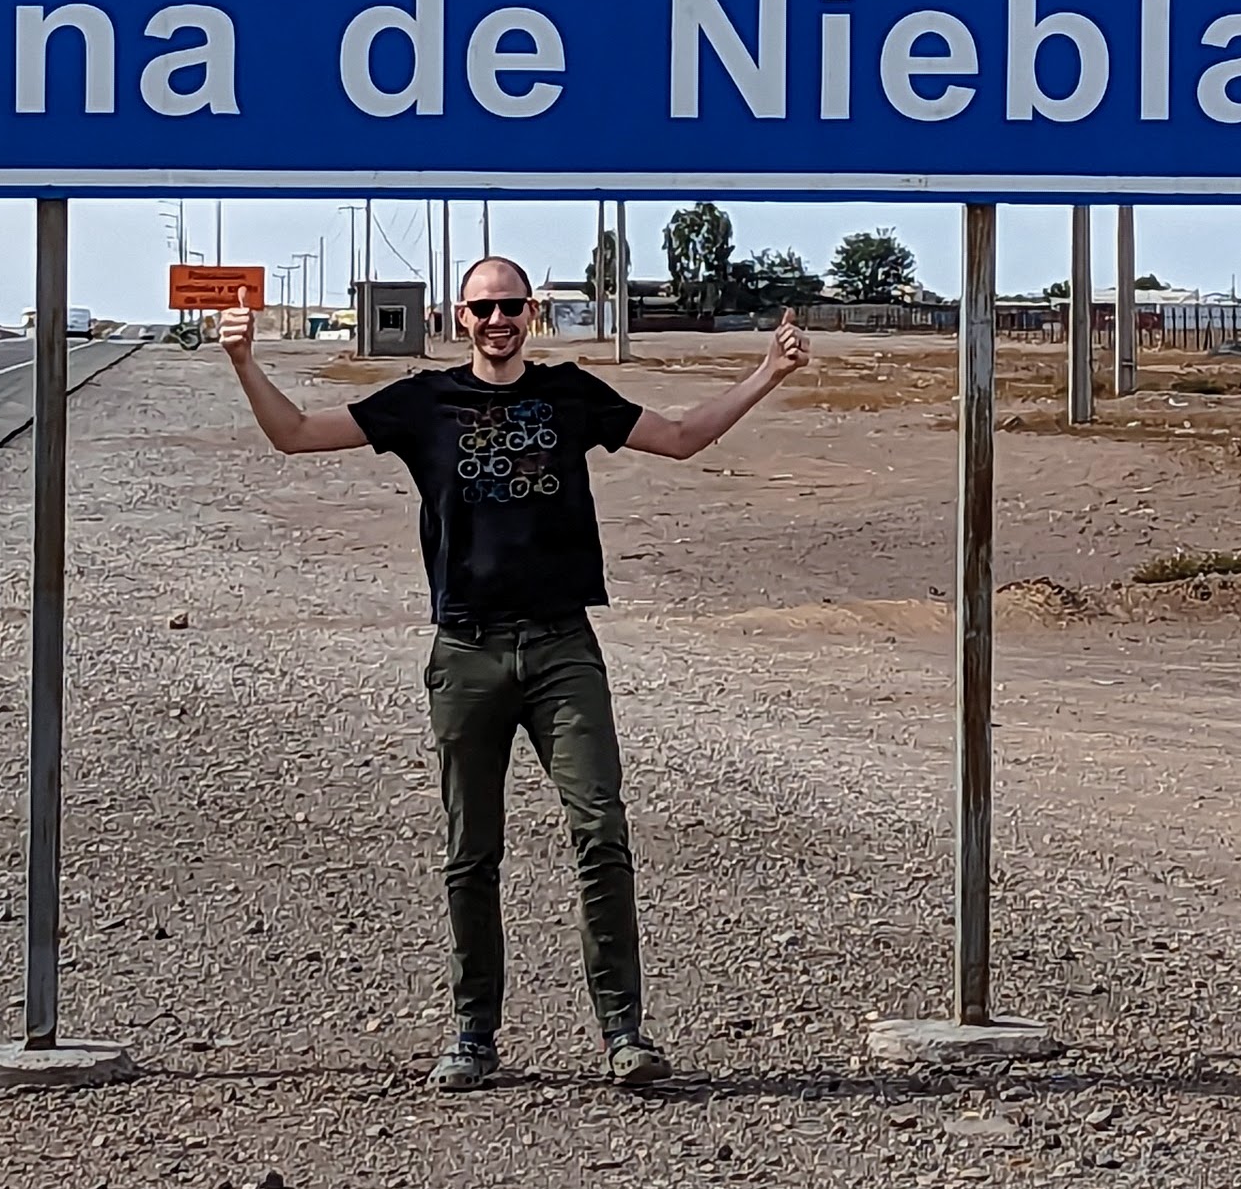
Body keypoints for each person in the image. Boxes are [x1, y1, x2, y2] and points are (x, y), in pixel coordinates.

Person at [218, 256, 811, 1091]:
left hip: (563, 647)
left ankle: (623, 1033)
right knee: (471, 850)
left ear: (531, 313)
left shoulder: (570, 396)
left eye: (510, 306)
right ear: (457, 318)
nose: (496, 320)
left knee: (600, 831)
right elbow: (296, 435)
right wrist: (247, 363)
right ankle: (473, 1034)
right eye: (481, 308)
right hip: (467, 651)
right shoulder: (421, 403)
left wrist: (767, 373)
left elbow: (679, 439)